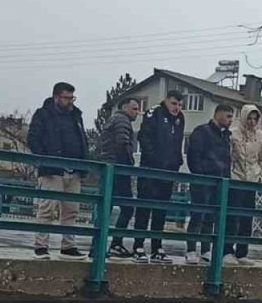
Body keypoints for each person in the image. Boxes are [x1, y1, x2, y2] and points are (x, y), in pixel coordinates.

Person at [27, 81, 89, 260]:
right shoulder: (43, 114)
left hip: (74, 169)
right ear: (56, 97)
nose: (70, 101)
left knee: (71, 210)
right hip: (51, 170)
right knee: (47, 208)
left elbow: (82, 139)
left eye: (72, 98)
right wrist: (44, 159)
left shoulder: (76, 115)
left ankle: (68, 246)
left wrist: (84, 163)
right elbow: (33, 138)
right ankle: (41, 246)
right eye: (66, 98)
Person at [135, 90, 186, 264]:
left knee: (161, 210)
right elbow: (144, 137)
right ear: (166, 101)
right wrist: (153, 159)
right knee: (144, 208)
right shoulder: (154, 113)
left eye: (180, 105)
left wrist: (176, 162)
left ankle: (157, 247)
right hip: (150, 169)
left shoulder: (180, 118)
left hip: (168, 171)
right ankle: (138, 246)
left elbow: (178, 142)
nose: (177, 108)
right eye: (174, 104)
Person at [185, 104, 234, 264]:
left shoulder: (225, 136)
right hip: (203, 180)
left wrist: (226, 178)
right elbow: (194, 155)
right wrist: (200, 175)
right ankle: (191, 250)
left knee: (210, 218)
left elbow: (226, 160)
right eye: (228, 116)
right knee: (197, 215)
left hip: (219, 182)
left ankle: (206, 250)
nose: (231, 120)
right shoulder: (202, 131)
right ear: (218, 114)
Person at [99, 97, 141, 260]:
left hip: (109, 166)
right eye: (134, 108)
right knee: (127, 207)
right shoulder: (123, 121)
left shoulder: (114, 119)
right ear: (124, 108)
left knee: (105, 206)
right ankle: (116, 243)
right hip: (117, 168)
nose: (137, 112)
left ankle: (98, 244)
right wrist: (128, 164)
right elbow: (122, 144)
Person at [227, 104, 262, 265]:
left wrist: (261, 174)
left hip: (251, 181)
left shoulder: (261, 136)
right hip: (236, 178)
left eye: (255, 119)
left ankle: (242, 252)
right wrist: (230, 173)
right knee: (232, 217)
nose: (252, 122)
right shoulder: (232, 134)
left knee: (247, 218)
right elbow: (228, 156)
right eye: (249, 118)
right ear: (243, 118)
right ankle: (227, 251)